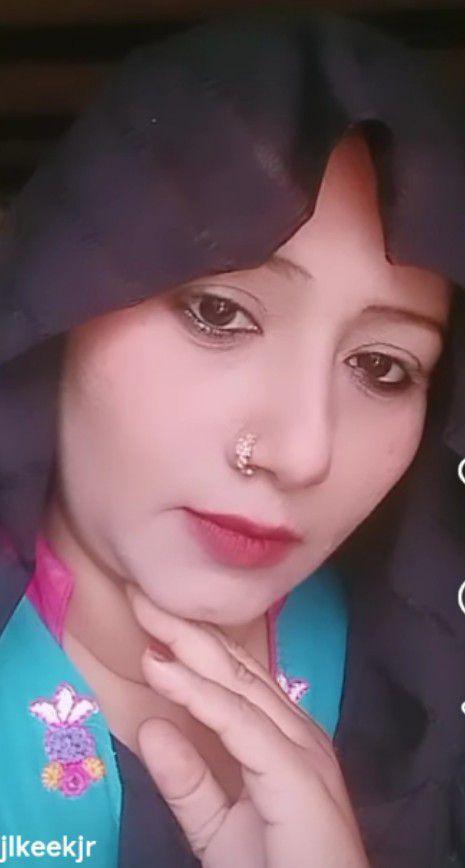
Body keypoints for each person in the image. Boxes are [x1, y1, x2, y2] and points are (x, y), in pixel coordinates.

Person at [0, 8, 463, 867]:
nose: (302, 453)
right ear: (63, 298)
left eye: (381, 367)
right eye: (218, 313)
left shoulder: (421, 704)